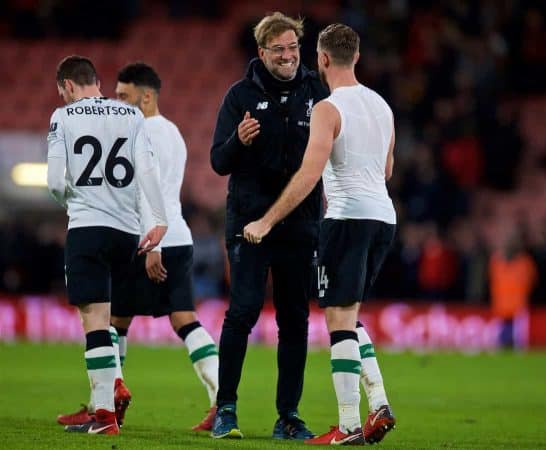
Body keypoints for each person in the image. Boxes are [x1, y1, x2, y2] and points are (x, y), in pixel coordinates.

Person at [243, 23, 397, 445]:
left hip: (347, 217)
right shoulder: (382, 106)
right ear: (357, 57)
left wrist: (266, 220)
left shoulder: (328, 109)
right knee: (349, 316)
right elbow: (386, 170)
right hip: (384, 217)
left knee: (338, 321)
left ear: (322, 59)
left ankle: (348, 425)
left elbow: (310, 173)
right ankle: (379, 403)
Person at [56, 62, 220, 431]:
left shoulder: (140, 129)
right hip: (178, 235)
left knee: (111, 320)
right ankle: (221, 400)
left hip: (151, 239)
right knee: (181, 318)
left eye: (124, 96)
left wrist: (151, 245)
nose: (118, 101)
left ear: (146, 97)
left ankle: (106, 401)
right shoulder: (173, 132)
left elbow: (149, 192)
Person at [209, 11, 327, 440]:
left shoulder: (317, 90)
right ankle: (226, 409)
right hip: (249, 223)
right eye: (279, 49)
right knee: (242, 313)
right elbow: (218, 162)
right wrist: (237, 140)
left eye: (294, 48)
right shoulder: (239, 96)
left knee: (295, 320)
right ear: (262, 52)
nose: (288, 56)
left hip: (300, 224)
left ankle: (289, 416)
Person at [47, 55, 168, 435]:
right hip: (127, 232)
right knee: (112, 319)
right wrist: (158, 220)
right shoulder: (131, 115)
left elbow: (53, 181)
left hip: (88, 228)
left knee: (94, 321)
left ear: (67, 86)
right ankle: (106, 402)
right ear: (96, 81)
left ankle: (103, 414)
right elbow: (147, 170)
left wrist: (74, 201)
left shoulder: (62, 117)